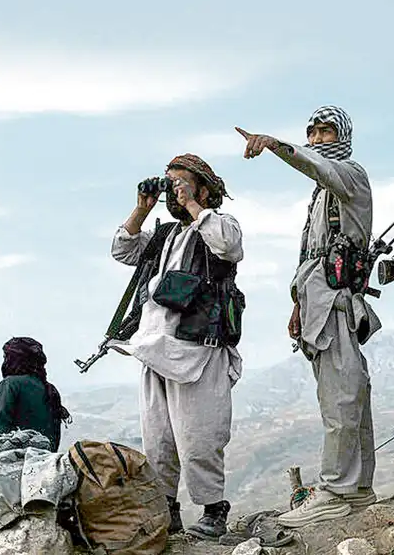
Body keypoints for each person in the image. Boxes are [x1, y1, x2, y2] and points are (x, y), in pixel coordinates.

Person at [236, 106, 381, 528]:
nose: (318, 139)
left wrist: (276, 145)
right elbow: (311, 257)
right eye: (312, 132)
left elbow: (316, 165)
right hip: (318, 308)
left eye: (326, 131)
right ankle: (357, 491)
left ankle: (336, 490)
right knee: (346, 394)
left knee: (342, 395)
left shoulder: (349, 175)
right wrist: (298, 305)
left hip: (337, 307)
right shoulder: (320, 197)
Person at [109, 154, 244, 540]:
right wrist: (141, 209)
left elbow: (229, 246)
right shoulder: (164, 234)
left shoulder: (219, 224)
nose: (174, 191)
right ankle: (167, 509)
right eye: (170, 184)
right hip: (153, 349)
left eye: (181, 183)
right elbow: (123, 250)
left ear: (203, 188)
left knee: (199, 436)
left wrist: (192, 204)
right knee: (159, 439)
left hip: (198, 349)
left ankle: (214, 510)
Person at [0, 336, 72, 452]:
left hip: (15, 459)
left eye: (6, 357)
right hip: (43, 460)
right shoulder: (51, 389)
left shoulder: (10, 384)